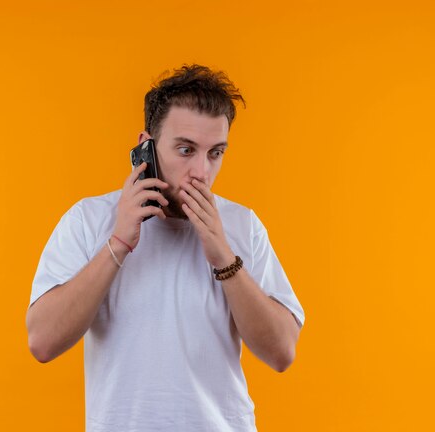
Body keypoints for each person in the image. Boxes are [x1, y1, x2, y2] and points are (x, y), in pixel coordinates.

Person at [26, 64, 305, 432]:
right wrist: (119, 244)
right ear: (147, 145)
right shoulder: (89, 219)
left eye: (215, 153)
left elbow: (282, 352)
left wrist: (223, 257)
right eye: (186, 149)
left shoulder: (242, 226)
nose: (202, 172)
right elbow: (42, 343)